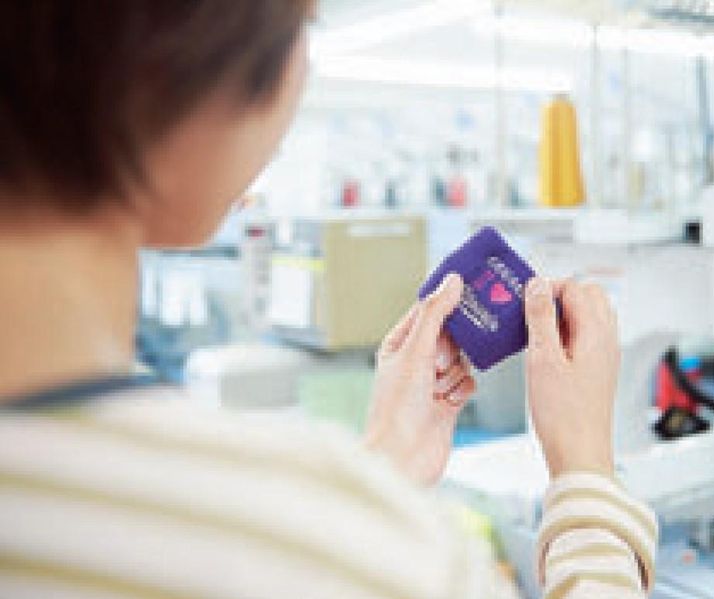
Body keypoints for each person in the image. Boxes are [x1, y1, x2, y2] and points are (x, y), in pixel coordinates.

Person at [0, 2, 657, 598]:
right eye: (301, 31)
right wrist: (585, 471)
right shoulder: (362, 553)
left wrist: (383, 469)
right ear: (168, 77)